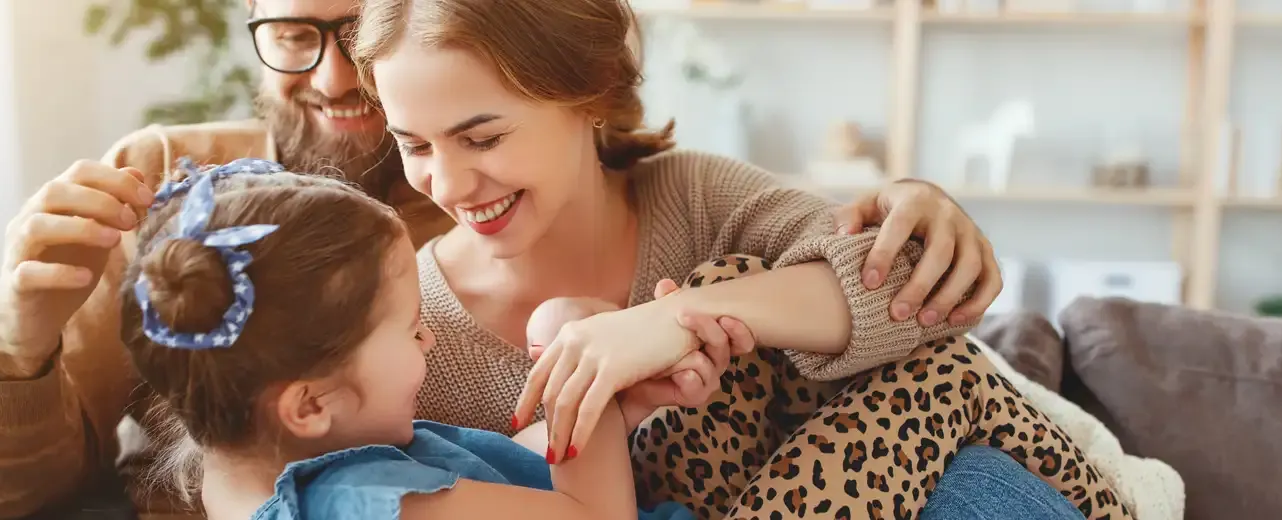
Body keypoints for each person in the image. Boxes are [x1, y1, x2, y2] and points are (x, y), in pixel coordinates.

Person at [0, 0, 1003, 517]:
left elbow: (905, 297)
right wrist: (10, 341)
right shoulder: (262, 256)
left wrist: (654, 328)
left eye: (357, 26)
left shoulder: (680, 192)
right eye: (293, 32)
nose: (336, 76)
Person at [348, 0, 1130, 517]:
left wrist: (672, 318)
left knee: (978, 487)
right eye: (414, 145)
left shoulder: (693, 198)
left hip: (935, 485)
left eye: (483, 137)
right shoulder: (409, 330)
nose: (446, 183)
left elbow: (900, 301)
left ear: (585, 95)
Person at [120, 160, 737, 520]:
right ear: (308, 404)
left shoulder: (250, 470)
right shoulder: (371, 503)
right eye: (411, 326)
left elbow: (499, 492)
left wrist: (607, 400)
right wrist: (576, 336)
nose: (431, 337)